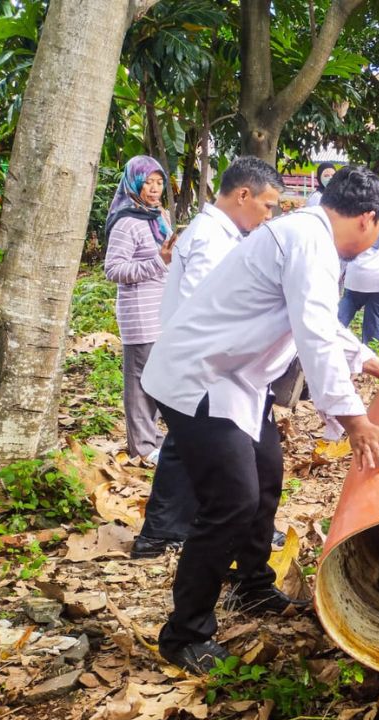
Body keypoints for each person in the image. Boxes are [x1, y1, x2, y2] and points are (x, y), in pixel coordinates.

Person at [140, 166, 379, 674]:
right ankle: (184, 632)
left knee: (264, 482)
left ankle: (252, 585)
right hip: (201, 379)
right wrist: (355, 422)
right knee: (231, 501)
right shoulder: (309, 242)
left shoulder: (306, 235)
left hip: (236, 378)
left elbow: (317, 320)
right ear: (368, 219)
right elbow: (315, 334)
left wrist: (366, 359)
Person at [134, 157, 285, 559]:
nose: (269, 215)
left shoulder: (223, 234)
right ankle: (168, 532)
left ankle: (164, 531)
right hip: (202, 363)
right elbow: (204, 305)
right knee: (202, 451)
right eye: (267, 205)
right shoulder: (210, 238)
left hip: (205, 364)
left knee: (186, 450)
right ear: (243, 195)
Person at [104, 154, 173, 464]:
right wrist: (159, 262)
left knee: (160, 378)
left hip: (163, 309)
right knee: (140, 381)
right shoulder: (126, 221)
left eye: (159, 183)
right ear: (134, 183)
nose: (155, 189)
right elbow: (114, 269)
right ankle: (142, 447)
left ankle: (153, 437)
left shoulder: (160, 216)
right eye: (148, 182)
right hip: (139, 312)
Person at [338, 179, 379, 344]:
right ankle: (368, 361)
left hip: (356, 277)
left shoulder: (355, 212)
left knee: (339, 320)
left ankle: (327, 346)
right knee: (373, 330)